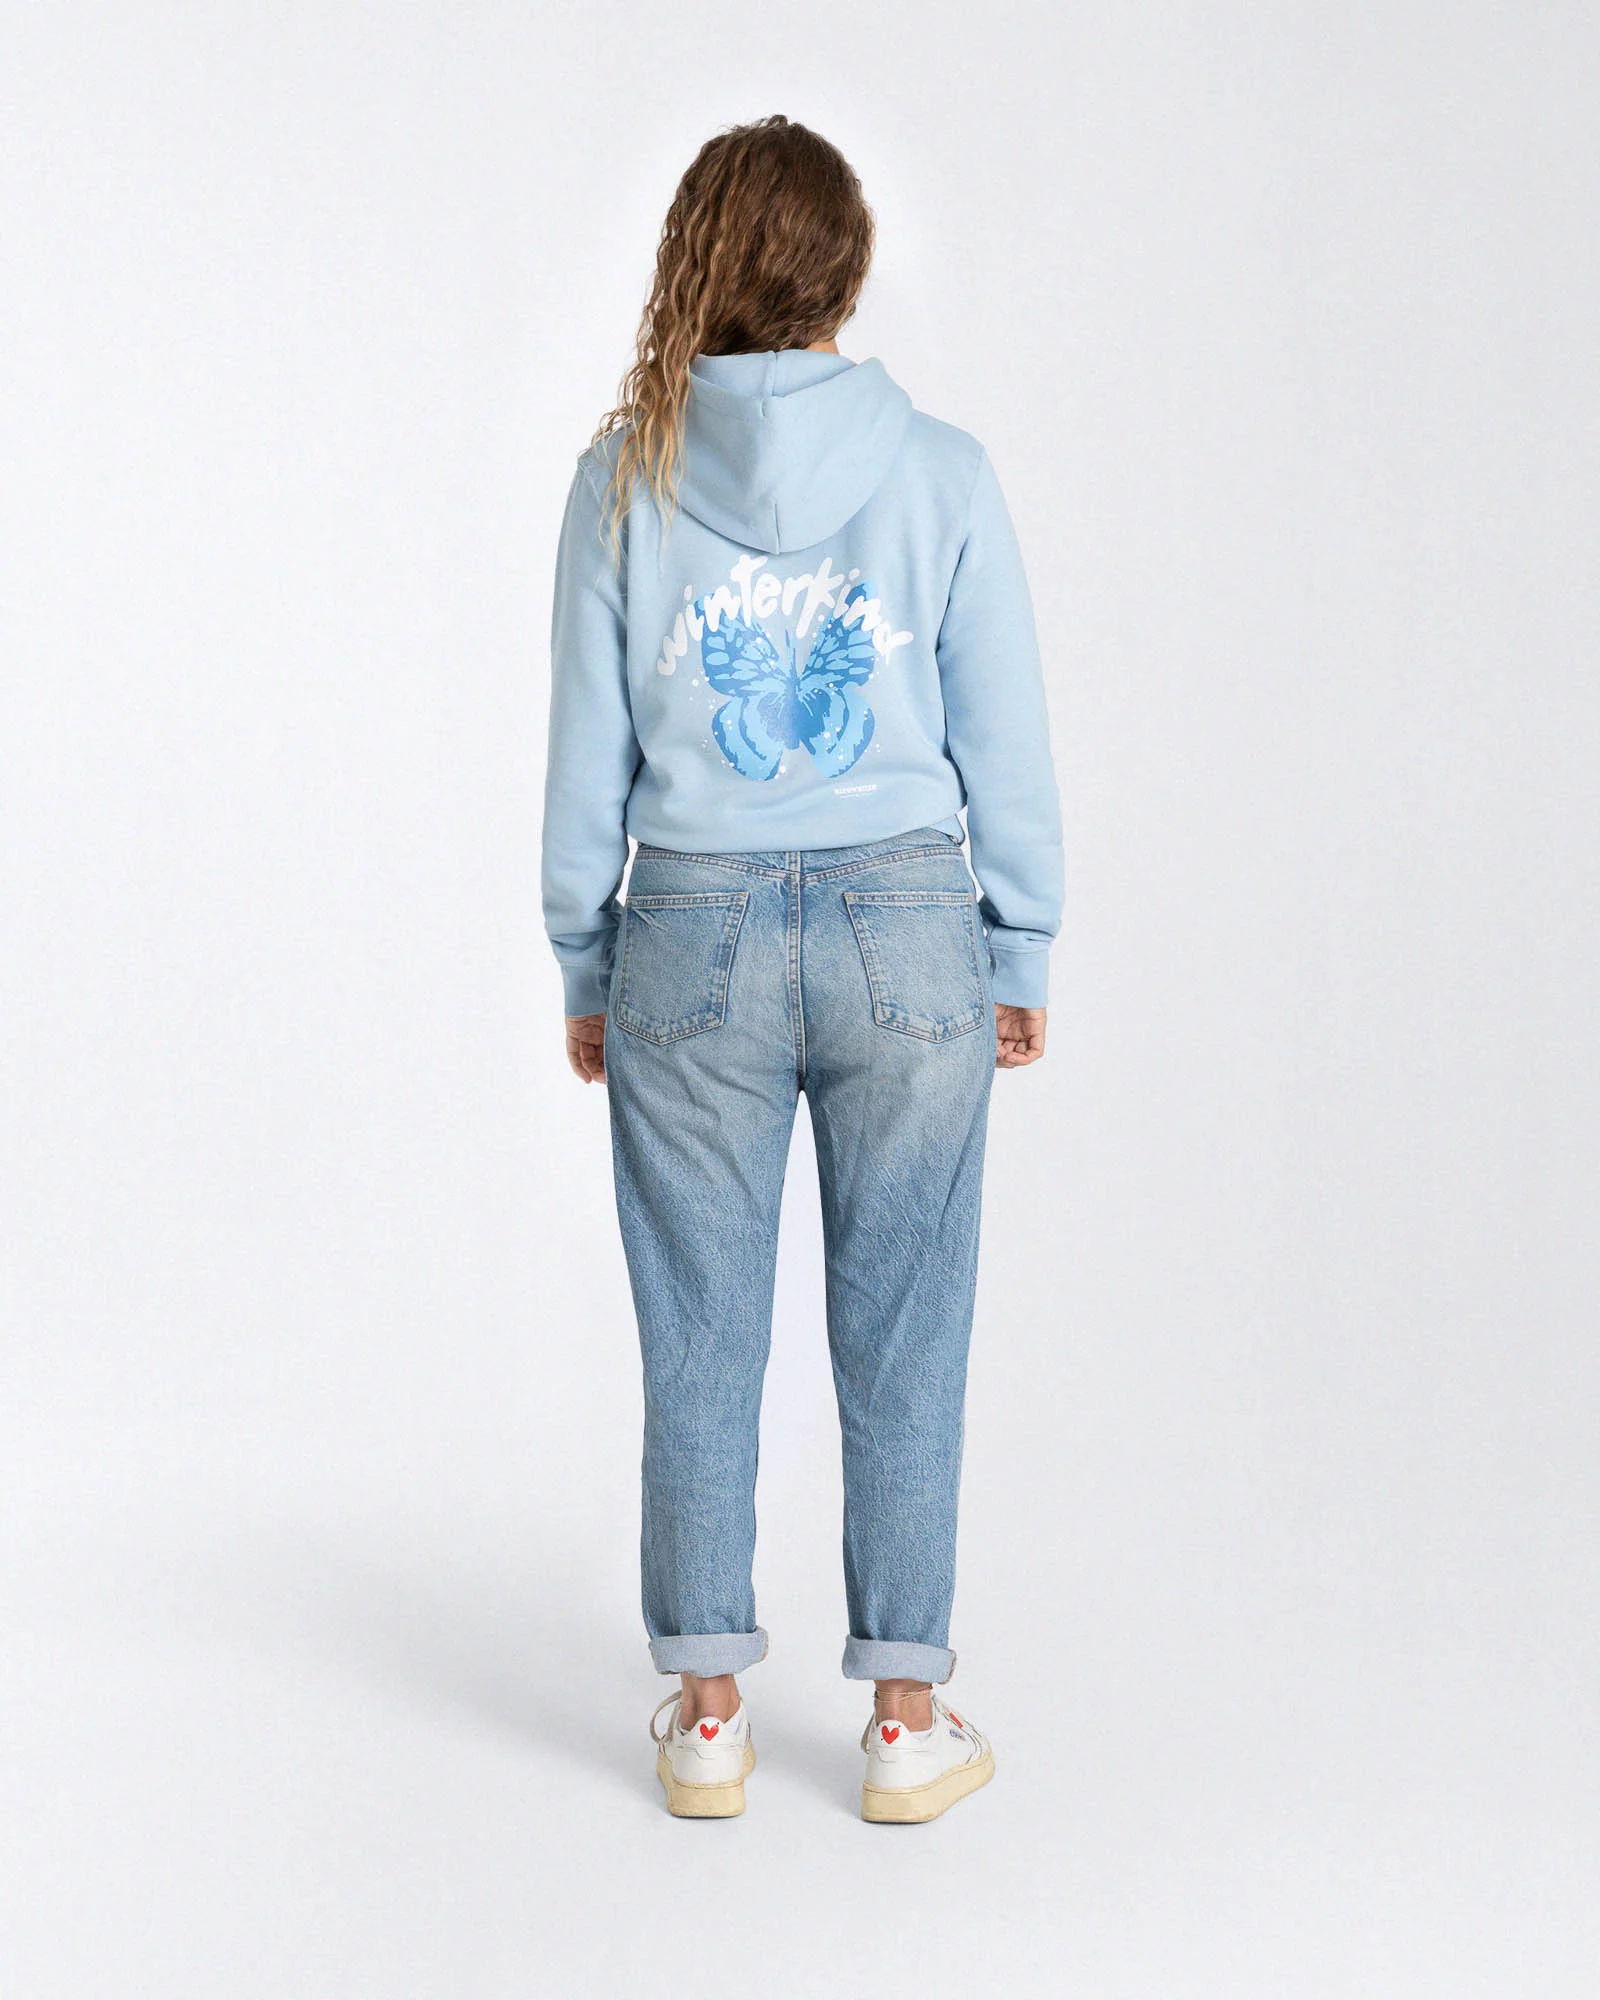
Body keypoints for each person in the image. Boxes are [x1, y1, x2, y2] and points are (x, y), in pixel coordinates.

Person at [541, 115, 1062, 1823]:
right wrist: (1018, 936)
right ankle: (906, 1720)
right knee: (908, 1323)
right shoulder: (944, 474)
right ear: (845, 273)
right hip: (907, 930)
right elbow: (1003, 736)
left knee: (697, 1328)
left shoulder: (625, 479)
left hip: (686, 933)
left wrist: (587, 958)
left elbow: (587, 757)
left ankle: (707, 1715)